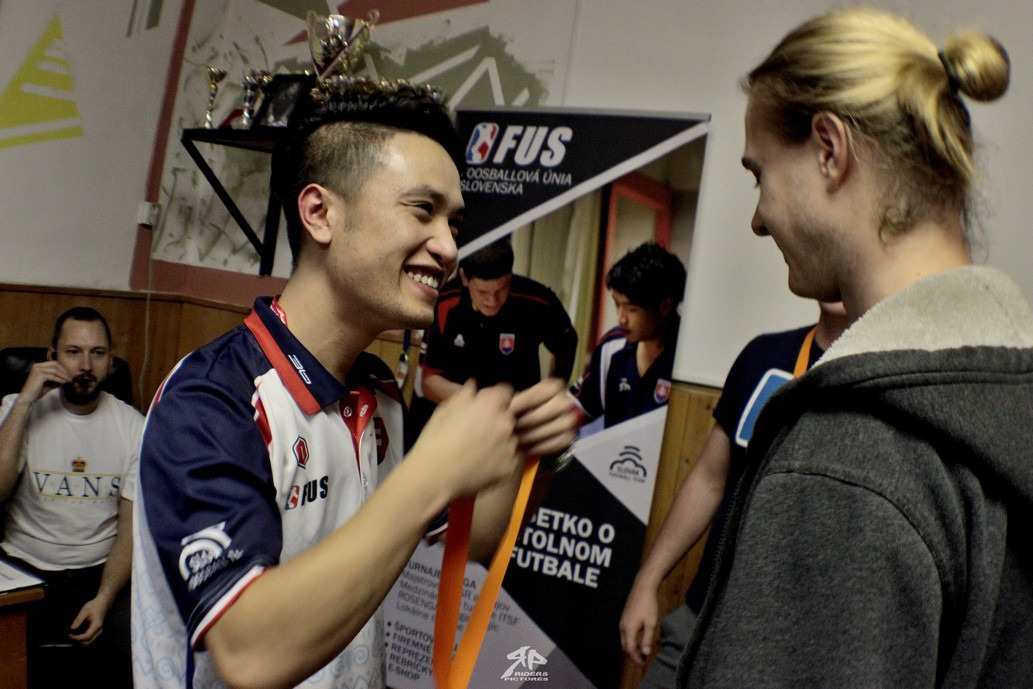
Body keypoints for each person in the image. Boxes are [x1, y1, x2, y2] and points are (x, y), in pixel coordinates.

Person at [131, 77, 578, 689]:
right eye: (422, 210)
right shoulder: (212, 399)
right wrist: (431, 474)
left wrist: (531, 449)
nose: (449, 247)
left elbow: (474, 540)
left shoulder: (377, 393)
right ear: (320, 213)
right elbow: (249, 652)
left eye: (454, 222)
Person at [678, 7, 1033, 687]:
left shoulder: (847, 457)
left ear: (828, 150)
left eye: (759, 175)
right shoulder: (1008, 388)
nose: (757, 220)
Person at [620, 301, 849, 687]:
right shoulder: (766, 355)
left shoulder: (889, 378)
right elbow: (709, 479)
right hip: (701, 623)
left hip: (796, 653)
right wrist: (648, 580)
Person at [0, 306, 142, 688]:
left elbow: (130, 530)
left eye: (98, 353)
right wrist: (25, 402)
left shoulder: (133, 426)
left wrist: (104, 598)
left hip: (98, 573)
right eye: (73, 352)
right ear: (52, 357)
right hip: (24, 568)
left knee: (137, 651)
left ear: (110, 361)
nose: (85, 365)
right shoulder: (15, 409)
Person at [411, 238, 577, 440]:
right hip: (460, 420)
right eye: (482, 291)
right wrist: (487, 404)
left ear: (510, 277)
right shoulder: (444, 302)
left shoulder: (537, 301)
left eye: (501, 289)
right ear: (464, 278)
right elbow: (430, 383)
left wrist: (551, 393)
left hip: (517, 423)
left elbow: (568, 340)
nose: (492, 300)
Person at [571, 242, 686, 429]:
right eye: (617, 305)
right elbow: (577, 406)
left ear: (665, 306)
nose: (621, 318)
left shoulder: (687, 357)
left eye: (631, 309)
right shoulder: (611, 347)